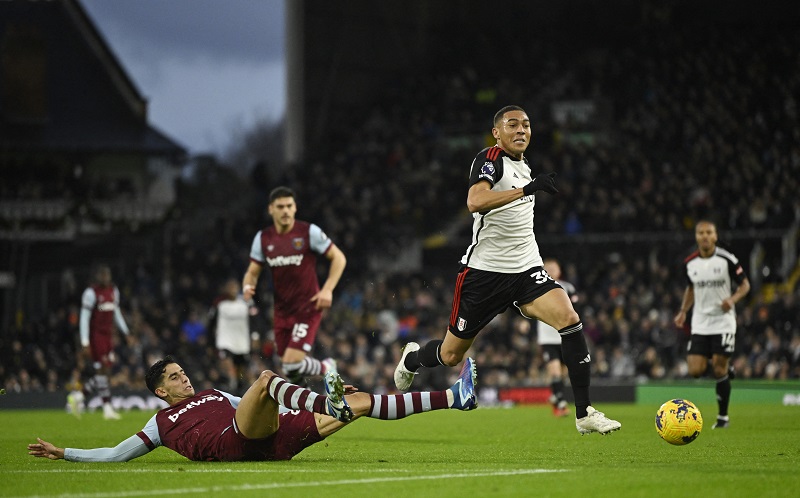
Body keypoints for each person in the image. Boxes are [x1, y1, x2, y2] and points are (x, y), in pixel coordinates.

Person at [393, 105, 621, 435]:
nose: (521, 130)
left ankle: (584, 412)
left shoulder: (525, 166)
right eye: (512, 124)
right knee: (451, 354)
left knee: (570, 319)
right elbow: (475, 201)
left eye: (526, 125)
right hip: (484, 275)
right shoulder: (490, 159)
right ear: (497, 132)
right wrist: (527, 190)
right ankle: (413, 359)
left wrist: (528, 187)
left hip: (527, 269)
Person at [28, 355, 477, 462]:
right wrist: (63, 452)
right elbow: (113, 454)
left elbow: (253, 405)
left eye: (182, 373)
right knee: (264, 379)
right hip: (237, 441)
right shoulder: (159, 424)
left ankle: (455, 398)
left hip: (273, 442)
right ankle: (328, 400)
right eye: (174, 378)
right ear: (160, 392)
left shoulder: (213, 396)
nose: (184, 378)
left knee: (359, 402)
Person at [243, 186, 346, 385]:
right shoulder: (263, 239)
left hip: (307, 307)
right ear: (271, 209)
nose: (285, 211)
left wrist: (327, 289)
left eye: (289, 206)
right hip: (281, 311)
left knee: (291, 363)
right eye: (280, 206)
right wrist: (248, 286)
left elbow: (339, 258)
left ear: (295, 208)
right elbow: (252, 272)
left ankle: (327, 367)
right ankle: (305, 406)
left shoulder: (309, 232)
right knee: (290, 370)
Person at [673, 219, 750, 429]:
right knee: (695, 370)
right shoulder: (690, 263)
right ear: (696, 237)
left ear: (715, 236)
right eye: (701, 233)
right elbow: (691, 289)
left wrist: (732, 300)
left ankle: (723, 418)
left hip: (723, 321)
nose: (705, 236)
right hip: (700, 322)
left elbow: (745, 285)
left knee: (717, 368)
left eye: (709, 232)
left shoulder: (727, 259)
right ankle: (725, 368)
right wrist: (683, 312)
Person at [72, 264, 131, 420]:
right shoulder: (91, 293)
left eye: (107, 275)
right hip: (96, 336)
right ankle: (107, 408)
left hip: (108, 336)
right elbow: (84, 318)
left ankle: (78, 397)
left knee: (106, 371)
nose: (106, 278)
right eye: (103, 275)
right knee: (101, 370)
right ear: (97, 277)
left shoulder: (113, 291)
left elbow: (116, 312)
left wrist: (126, 332)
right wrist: (85, 342)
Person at [536, 258, 576, 417]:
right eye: (548, 268)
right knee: (555, 371)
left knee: (564, 372)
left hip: (565, 336)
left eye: (554, 267)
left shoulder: (568, 288)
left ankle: (555, 395)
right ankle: (560, 404)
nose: (551, 270)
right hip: (547, 338)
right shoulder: (537, 287)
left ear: (559, 270)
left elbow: (575, 310)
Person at [209, 278, 258, 395]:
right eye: (230, 287)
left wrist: (255, 336)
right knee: (227, 364)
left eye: (234, 287)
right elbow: (211, 324)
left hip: (242, 343)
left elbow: (255, 320)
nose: (232, 289)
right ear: (226, 289)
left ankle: (240, 390)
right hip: (225, 341)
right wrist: (210, 343)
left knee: (242, 371)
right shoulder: (219, 304)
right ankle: (228, 387)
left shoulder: (247, 302)